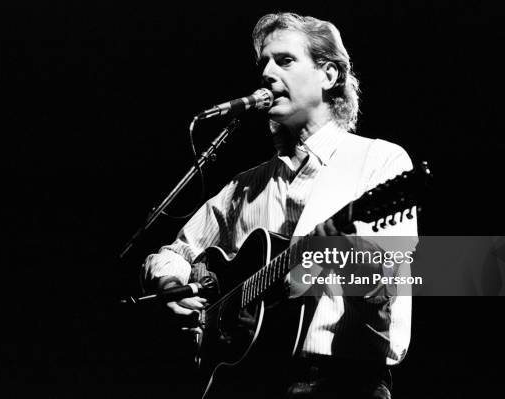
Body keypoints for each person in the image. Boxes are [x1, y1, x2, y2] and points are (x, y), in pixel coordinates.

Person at [142, 12, 418, 399]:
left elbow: (390, 274)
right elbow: (175, 250)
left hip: (344, 380)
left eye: (285, 60)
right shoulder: (245, 186)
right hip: (249, 379)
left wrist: (336, 255)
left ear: (328, 75)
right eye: (264, 64)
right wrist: (170, 282)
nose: (268, 73)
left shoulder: (378, 160)